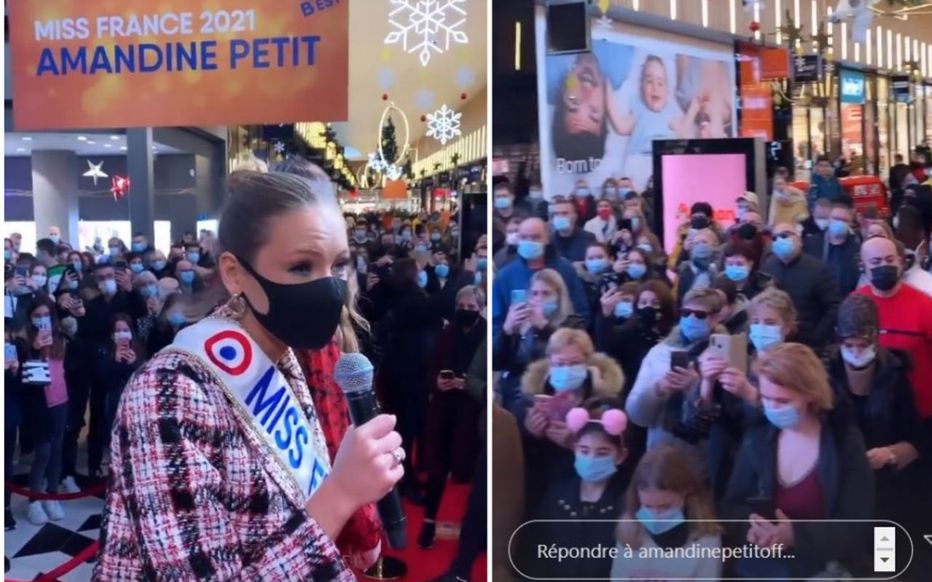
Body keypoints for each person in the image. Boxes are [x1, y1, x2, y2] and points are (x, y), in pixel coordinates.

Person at [93, 171, 405, 579]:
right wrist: (342, 492)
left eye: (339, 265)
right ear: (235, 273)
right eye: (301, 267)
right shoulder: (166, 390)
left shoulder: (281, 354)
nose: (329, 287)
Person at [723, 343, 873, 578]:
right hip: (764, 568)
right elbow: (731, 506)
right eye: (766, 398)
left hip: (825, 567)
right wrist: (752, 528)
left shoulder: (844, 443)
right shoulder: (757, 438)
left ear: (810, 394)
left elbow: (857, 524)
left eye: (783, 401)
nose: (772, 408)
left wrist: (795, 535)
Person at [824, 295, 925, 539]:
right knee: (843, 548)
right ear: (839, 340)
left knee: (884, 552)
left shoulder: (896, 374)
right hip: (838, 481)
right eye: (849, 345)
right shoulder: (824, 372)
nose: (856, 352)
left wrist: (892, 453)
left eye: (863, 345)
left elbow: (917, 437)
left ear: (876, 339)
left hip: (885, 487)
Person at [519, 400, 632, 580]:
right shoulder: (555, 497)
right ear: (574, 450)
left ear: (621, 455)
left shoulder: (627, 505)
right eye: (584, 451)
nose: (591, 459)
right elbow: (536, 554)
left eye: (602, 453)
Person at [514, 329, 624, 512]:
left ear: (588, 364)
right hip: (538, 484)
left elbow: (619, 445)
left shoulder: (605, 401)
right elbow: (512, 439)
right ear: (550, 363)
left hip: (583, 488)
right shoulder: (531, 395)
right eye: (560, 363)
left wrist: (576, 442)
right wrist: (528, 430)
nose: (567, 369)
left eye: (574, 363)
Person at [419, 286, 486, 549]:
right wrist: (437, 381)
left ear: (481, 309)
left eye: (471, 308)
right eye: (462, 307)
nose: (466, 311)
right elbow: (431, 366)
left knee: (468, 471)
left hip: (471, 413)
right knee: (437, 468)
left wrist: (469, 384)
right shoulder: (447, 331)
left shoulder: (486, 334)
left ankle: (474, 532)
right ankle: (428, 523)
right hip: (444, 408)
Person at [625, 288, 724, 454]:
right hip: (661, 448)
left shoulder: (725, 355)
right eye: (686, 313)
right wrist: (657, 390)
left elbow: (731, 415)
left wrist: (695, 387)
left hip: (704, 454)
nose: (691, 319)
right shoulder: (660, 351)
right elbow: (637, 416)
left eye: (700, 315)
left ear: (715, 318)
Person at [855, 237, 932, 438]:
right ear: (863, 266)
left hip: (920, 412)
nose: (884, 266)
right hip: (872, 412)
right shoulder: (855, 304)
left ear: (900, 262)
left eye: (890, 260)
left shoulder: (925, 305)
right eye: (876, 261)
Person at [611, 446, 722, 580]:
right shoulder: (628, 529)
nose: (655, 515)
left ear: (685, 493)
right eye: (647, 506)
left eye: (665, 507)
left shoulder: (706, 537)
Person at [493, 268, 587, 409]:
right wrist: (507, 330)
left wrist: (543, 326)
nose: (539, 299)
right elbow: (496, 362)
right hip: (515, 398)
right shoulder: (522, 324)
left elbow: (568, 351)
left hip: (553, 395)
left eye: (546, 293)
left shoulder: (574, 323)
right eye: (535, 293)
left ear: (559, 296)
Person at [491, 217, 591, 337]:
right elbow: (494, 323)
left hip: (560, 342)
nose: (529, 242)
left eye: (535, 237)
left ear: (547, 239)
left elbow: (581, 313)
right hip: (519, 343)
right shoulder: (505, 275)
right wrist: (506, 328)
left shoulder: (565, 270)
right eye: (524, 237)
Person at [20, 296, 70, 525]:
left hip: (61, 400)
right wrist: (34, 348)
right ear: (30, 318)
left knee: (57, 450)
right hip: (39, 405)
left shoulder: (60, 338)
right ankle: (34, 500)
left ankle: (52, 494)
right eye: (37, 316)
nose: (42, 319)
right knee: (43, 453)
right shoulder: (24, 342)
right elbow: (21, 375)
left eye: (46, 315)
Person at [761, 223, 840, 348]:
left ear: (799, 240)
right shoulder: (768, 268)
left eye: (785, 235)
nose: (780, 240)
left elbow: (833, 307)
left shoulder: (818, 269)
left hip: (808, 343)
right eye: (775, 238)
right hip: (774, 342)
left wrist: (817, 338)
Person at [802, 199, 861, 296]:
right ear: (829, 219)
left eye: (844, 220)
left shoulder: (857, 248)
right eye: (836, 218)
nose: (840, 223)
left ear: (850, 223)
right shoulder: (811, 244)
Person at [675, 228, 719, 305]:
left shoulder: (720, 268)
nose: (700, 246)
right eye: (696, 243)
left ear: (714, 245)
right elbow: (680, 299)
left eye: (704, 242)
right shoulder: (685, 269)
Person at [550, 199, 596, 264]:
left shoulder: (589, 239)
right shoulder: (549, 240)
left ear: (575, 217)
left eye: (565, 213)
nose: (560, 217)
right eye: (556, 214)